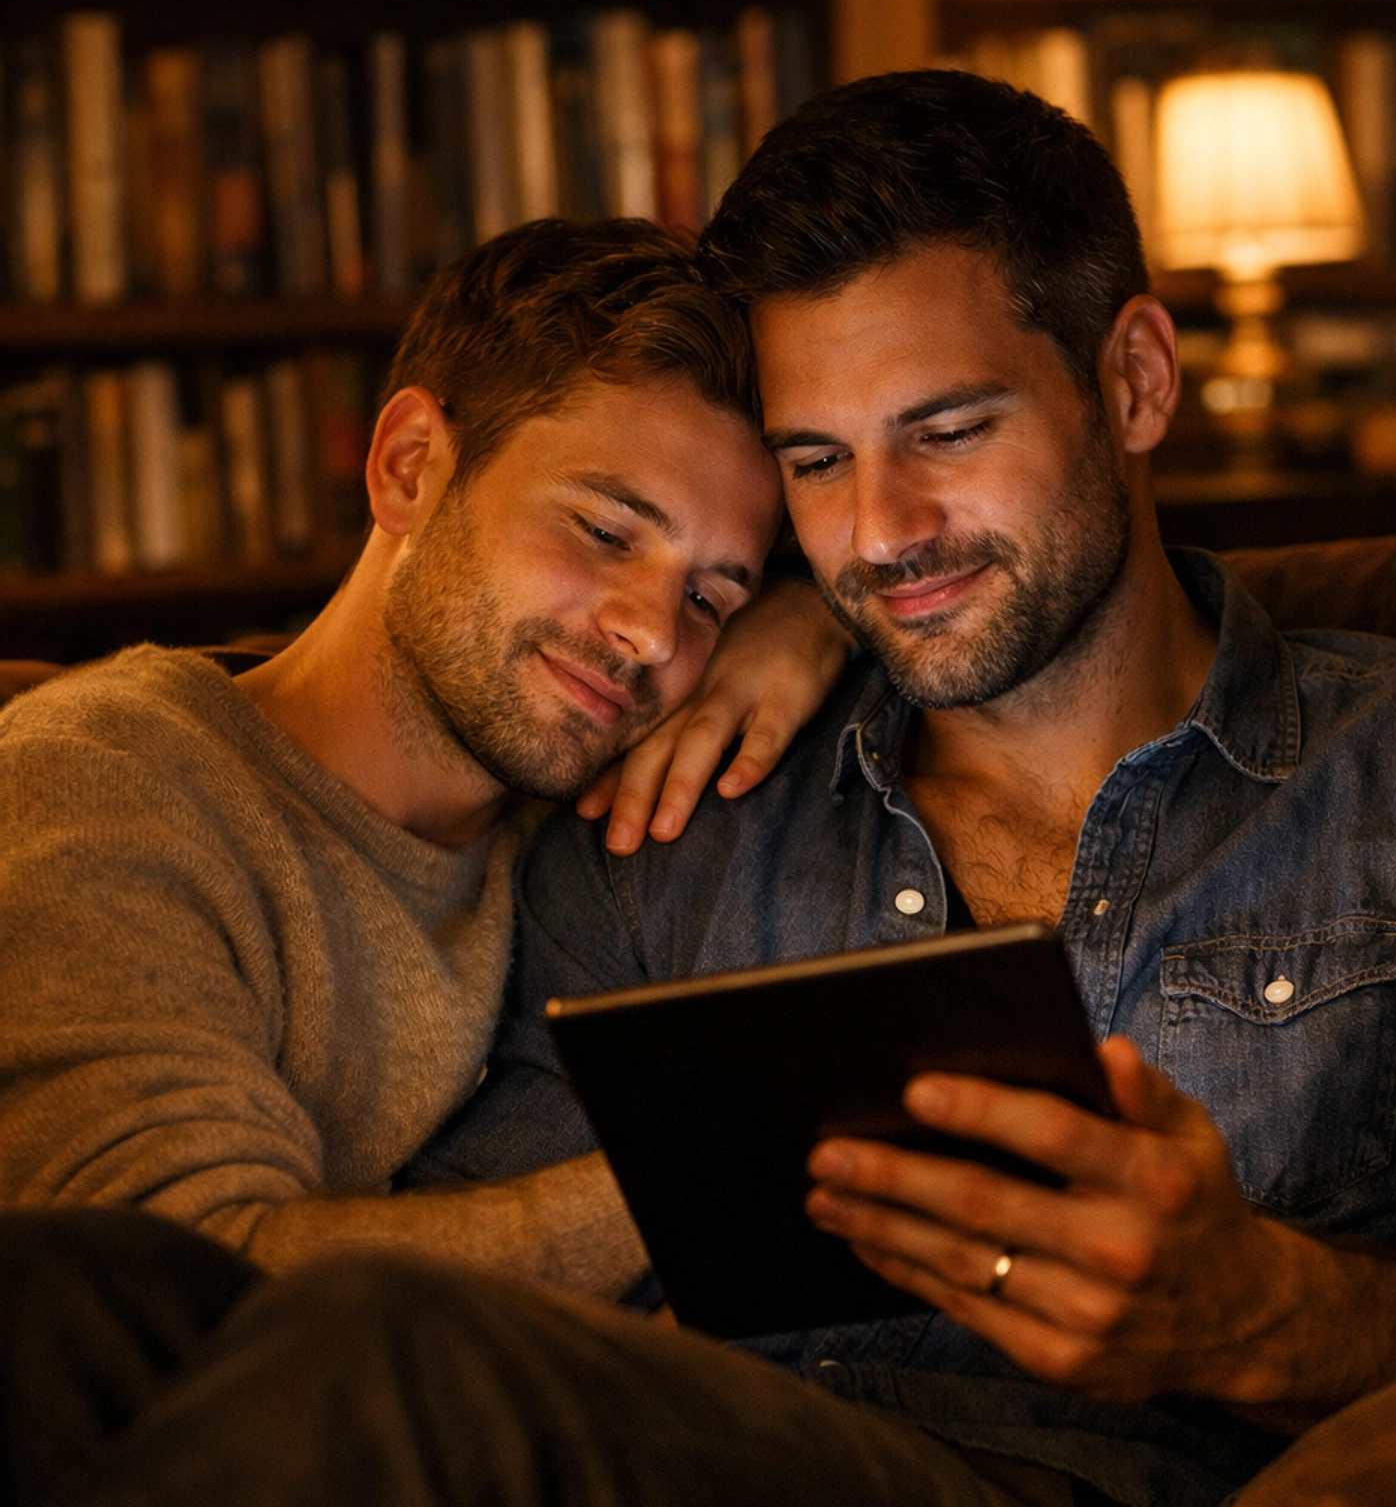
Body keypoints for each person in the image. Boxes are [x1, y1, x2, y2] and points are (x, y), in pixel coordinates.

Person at [417, 71, 1396, 1507]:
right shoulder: (671, 822)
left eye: (946, 432)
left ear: (1133, 379)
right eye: (817, 460)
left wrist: (1262, 1312)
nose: (880, 535)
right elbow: (452, 1330)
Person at [0, 220, 847, 1290]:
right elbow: (180, 1297)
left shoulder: (593, 801)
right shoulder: (101, 789)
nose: (654, 636)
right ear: (409, 468)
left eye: (708, 595)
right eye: (603, 531)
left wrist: (820, 615)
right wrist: (740, 1163)